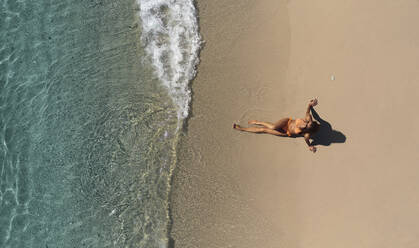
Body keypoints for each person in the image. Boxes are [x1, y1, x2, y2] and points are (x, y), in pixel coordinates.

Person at [233, 99, 320, 153]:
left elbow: (307, 142)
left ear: (308, 130)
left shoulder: (307, 135)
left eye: (306, 126)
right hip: (287, 122)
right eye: (308, 123)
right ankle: (258, 122)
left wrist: (310, 147)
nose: (305, 124)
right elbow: (308, 110)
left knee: (264, 130)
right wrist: (311, 104)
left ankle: (242, 128)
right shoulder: (309, 118)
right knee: (273, 127)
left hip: (286, 132)